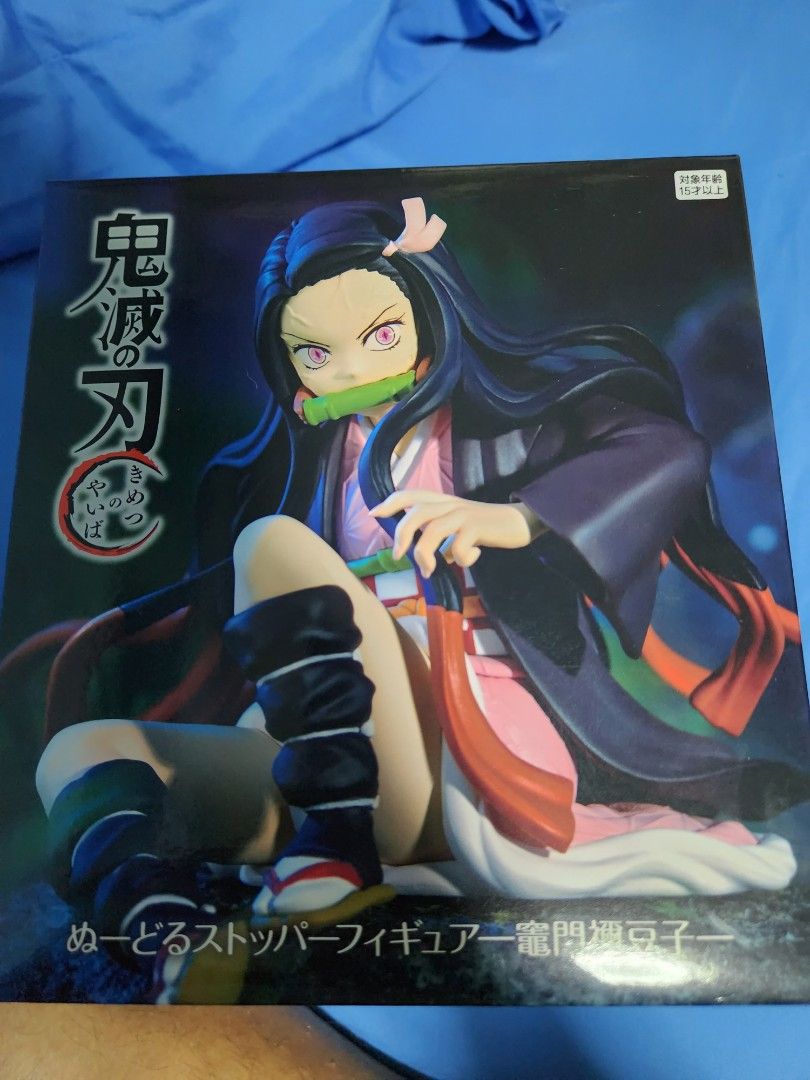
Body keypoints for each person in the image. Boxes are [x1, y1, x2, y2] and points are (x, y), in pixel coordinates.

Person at [33, 197, 806, 999]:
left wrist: (513, 518)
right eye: (316, 353)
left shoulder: (497, 434)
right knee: (84, 754)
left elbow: (667, 450)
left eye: (380, 337)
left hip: (454, 757)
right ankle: (176, 944)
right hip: (313, 755)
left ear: (430, 318)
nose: (350, 371)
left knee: (270, 545)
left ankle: (338, 850)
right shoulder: (304, 469)